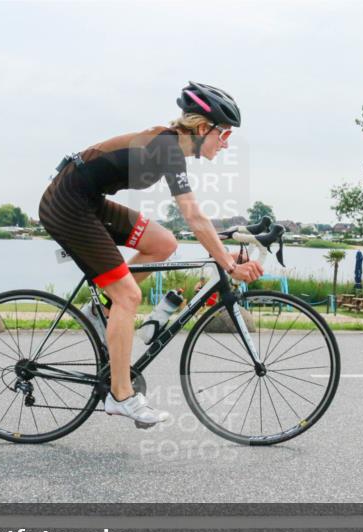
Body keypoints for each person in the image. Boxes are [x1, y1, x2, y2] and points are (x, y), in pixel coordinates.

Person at [38, 82, 264, 426]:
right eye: (224, 133)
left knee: (163, 243)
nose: (226, 142)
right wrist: (229, 264)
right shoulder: (167, 148)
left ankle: (103, 310)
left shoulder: (170, 146)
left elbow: (196, 222)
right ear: (203, 128)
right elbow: (193, 215)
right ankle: (121, 396)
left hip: (88, 200)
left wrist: (226, 246)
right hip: (67, 206)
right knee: (129, 295)